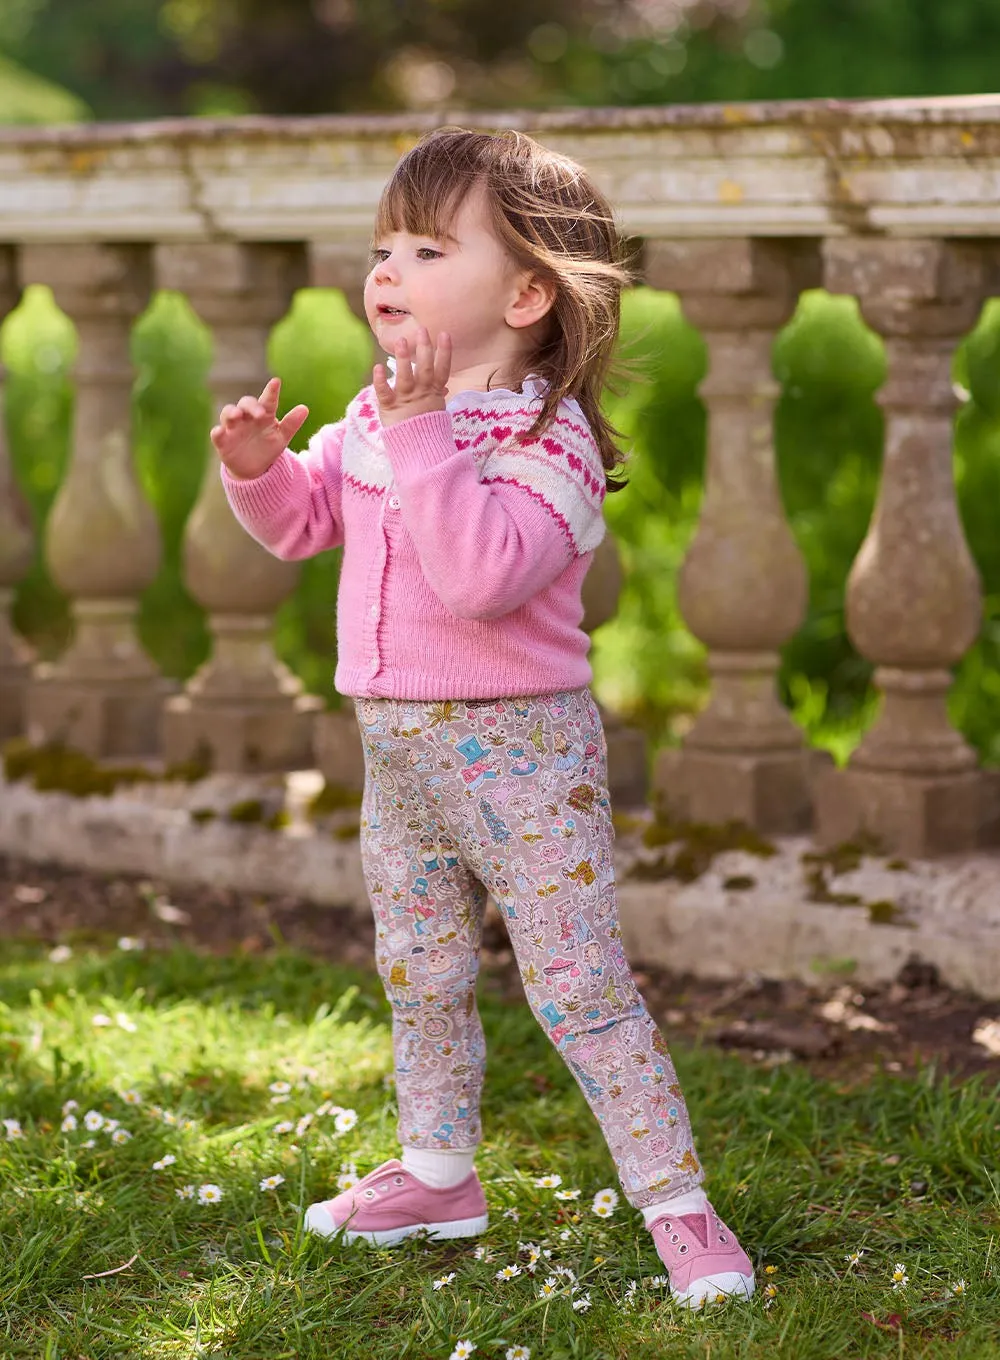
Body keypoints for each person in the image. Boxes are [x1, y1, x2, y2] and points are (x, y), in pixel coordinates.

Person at [211, 126, 754, 1309]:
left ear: (524, 292)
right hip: (394, 748)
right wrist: (259, 468)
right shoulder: (378, 412)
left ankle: (677, 1200)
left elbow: (480, 576)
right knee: (423, 967)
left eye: (423, 247)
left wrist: (413, 436)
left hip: (522, 754)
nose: (385, 272)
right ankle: (437, 1172)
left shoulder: (543, 439)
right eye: (380, 247)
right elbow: (308, 521)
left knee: (578, 984)